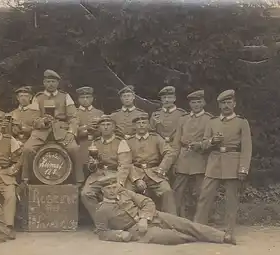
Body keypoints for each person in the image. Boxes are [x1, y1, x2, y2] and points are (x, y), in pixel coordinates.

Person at [92, 176, 236, 245]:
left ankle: (222, 237)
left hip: (153, 217)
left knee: (185, 224)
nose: (112, 191)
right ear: (102, 191)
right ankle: (200, 238)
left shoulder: (125, 193)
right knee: (173, 237)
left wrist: (144, 218)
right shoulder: (101, 210)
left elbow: (147, 201)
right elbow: (102, 232)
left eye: (114, 187)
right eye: (108, 189)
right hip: (137, 231)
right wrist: (120, 235)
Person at [194, 89, 252, 236]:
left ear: (234, 104)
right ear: (219, 106)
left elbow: (247, 147)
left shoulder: (241, 122)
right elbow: (203, 144)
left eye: (229, 102)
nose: (226, 105)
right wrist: (212, 141)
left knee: (231, 200)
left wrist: (243, 168)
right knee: (204, 196)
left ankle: (229, 231)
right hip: (214, 162)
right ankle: (197, 229)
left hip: (233, 162)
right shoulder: (212, 122)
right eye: (223, 103)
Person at [21, 69, 84, 186]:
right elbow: (33, 119)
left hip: (61, 130)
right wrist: (42, 122)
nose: (50, 84)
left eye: (53, 81)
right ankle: (26, 179)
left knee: (74, 148)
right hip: (41, 131)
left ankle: (79, 181)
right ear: (44, 83)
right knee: (27, 149)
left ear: (58, 83)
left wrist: (71, 132)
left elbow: (74, 117)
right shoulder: (38, 97)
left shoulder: (65, 96)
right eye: (48, 81)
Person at [125, 112, 178, 215]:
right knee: (126, 192)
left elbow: (169, 152)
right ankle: (131, 219)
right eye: (138, 123)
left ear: (148, 124)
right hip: (135, 173)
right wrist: (136, 179)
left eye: (144, 122)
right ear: (134, 126)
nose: (141, 125)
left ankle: (172, 220)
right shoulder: (128, 141)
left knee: (166, 191)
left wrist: (162, 168)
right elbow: (125, 161)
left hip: (154, 173)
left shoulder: (156, 138)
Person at [80, 115, 131, 220]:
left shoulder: (121, 142)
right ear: (99, 128)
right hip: (99, 173)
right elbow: (91, 167)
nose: (106, 127)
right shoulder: (96, 142)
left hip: (115, 173)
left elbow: (124, 165)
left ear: (113, 127)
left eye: (108, 125)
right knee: (86, 193)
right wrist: (92, 165)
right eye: (103, 125)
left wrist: (120, 182)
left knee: (118, 193)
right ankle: (100, 221)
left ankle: (117, 221)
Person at [172, 90, 213, 218]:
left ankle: (201, 219)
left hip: (200, 157)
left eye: (199, 102)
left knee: (201, 191)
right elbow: (176, 141)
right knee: (178, 190)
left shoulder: (209, 119)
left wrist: (201, 145)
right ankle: (177, 218)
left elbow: (212, 141)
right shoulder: (183, 119)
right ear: (190, 104)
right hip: (183, 157)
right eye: (193, 102)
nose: (196, 105)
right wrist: (174, 159)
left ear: (204, 103)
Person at [75, 86, 104, 168]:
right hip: (80, 144)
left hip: (98, 144)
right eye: (82, 97)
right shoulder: (74, 113)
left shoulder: (99, 113)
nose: (85, 99)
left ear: (92, 98)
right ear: (78, 99)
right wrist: (86, 128)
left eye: (87, 97)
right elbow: (72, 131)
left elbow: (105, 131)